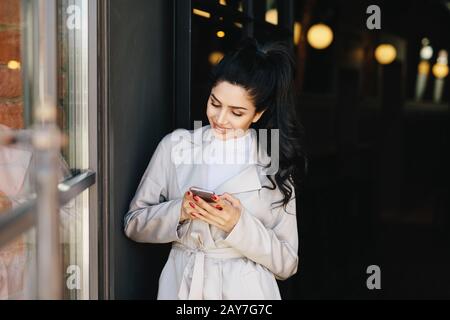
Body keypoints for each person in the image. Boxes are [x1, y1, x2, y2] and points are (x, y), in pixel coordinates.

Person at [124, 38, 307, 300]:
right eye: (215, 103)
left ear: (257, 114)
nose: (220, 119)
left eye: (237, 112)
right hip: (182, 285)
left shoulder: (273, 163)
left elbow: (287, 263)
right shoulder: (176, 146)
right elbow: (133, 224)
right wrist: (181, 210)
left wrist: (237, 224)